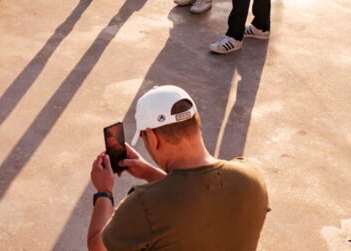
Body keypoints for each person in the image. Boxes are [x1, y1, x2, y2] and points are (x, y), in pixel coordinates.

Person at [87, 85, 269, 250]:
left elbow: (98, 246)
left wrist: (104, 192)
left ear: (152, 137)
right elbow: (200, 197)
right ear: (197, 120)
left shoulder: (143, 205)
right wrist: (150, 173)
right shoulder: (251, 176)